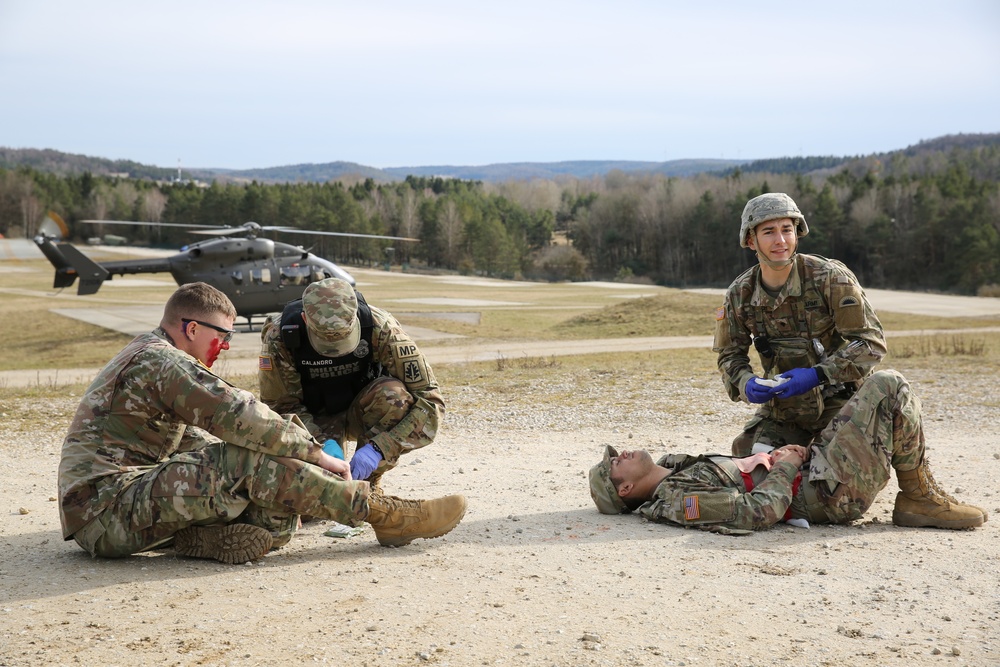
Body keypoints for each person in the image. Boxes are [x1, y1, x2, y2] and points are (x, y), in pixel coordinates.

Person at [58, 282, 467, 564]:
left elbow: (197, 441)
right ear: (193, 327)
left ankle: (198, 541)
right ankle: (384, 515)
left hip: (123, 503)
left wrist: (298, 464)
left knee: (279, 513)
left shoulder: (152, 354)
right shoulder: (163, 361)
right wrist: (312, 454)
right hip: (104, 510)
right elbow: (237, 413)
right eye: (222, 334)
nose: (226, 345)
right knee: (250, 461)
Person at [589, 370, 987, 533]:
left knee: (853, 389)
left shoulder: (672, 470)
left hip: (810, 470)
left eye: (614, 454)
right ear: (624, 491)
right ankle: (919, 499)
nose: (619, 454)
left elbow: (740, 476)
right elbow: (754, 513)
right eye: (614, 465)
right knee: (887, 385)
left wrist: (770, 457)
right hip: (826, 493)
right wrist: (788, 464)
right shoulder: (678, 499)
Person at [714, 192, 888, 457]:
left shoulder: (829, 278)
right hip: (786, 410)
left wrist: (817, 375)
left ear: (797, 233)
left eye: (787, 230)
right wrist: (746, 382)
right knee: (748, 456)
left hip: (843, 402)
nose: (780, 240)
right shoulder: (740, 293)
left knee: (838, 471)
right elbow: (729, 355)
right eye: (769, 232)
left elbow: (871, 344)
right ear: (751, 240)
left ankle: (917, 492)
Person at [258, 277, 442, 493]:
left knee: (394, 396)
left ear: (355, 317)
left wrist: (379, 449)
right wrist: (319, 445)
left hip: (364, 412)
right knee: (313, 498)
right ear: (305, 319)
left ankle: (368, 482)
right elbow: (280, 408)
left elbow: (430, 401)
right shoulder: (280, 337)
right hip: (313, 419)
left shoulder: (381, 328)